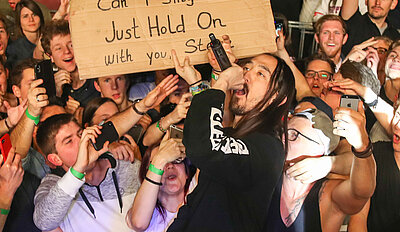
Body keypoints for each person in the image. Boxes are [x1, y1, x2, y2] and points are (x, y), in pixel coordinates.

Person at [167, 46, 296, 231]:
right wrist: (196, 83)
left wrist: (223, 81)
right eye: (247, 67)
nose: (246, 74)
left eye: (261, 73)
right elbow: (198, 201)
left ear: (276, 98)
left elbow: (204, 147)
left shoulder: (268, 148)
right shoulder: (232, 136)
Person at [266, 106, 376, 231]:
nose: (283, 139)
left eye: (294, 135)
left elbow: (361, 192)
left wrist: (362, 146)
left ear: (319, 148)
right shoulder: (268, 177)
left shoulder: (327, 195)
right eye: (284, 132)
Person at [33, 113, 141, 231]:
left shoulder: (125, 164)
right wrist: (79, 169)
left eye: (81, 134)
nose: (82, 142)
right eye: (69, 141)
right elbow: (43, 221)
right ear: (56, 159)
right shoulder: (52, 185)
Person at [126, 137, 196, 232]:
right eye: (163, 162)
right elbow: (138, 224)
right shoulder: (143, 210)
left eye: (177, 160)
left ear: (187, 172)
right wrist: (160, 159)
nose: (170, 166)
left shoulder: (200, 190)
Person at [41, 20, 99, 107]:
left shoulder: (97, 76)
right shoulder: (47, 89)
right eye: (58, 48)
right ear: (51, 56)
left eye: (71, 45)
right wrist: (56, 93)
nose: (67, 51)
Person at [6, 0, 44, 69]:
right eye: (25, 16)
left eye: (34, 15)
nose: (31, 19)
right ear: (19, 21)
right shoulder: (14, 49)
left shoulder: (47, 37)